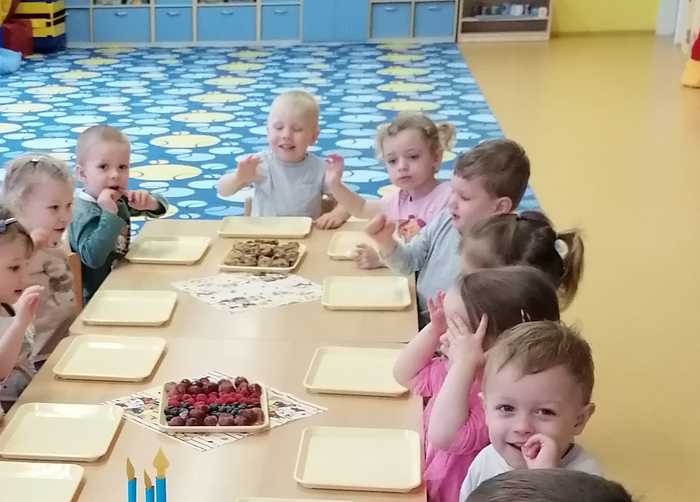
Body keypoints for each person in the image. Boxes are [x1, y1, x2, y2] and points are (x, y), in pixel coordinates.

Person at [394, 266, 561, 502]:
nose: (444, 338)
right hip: (425, 486)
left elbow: (445, 436)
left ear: (501, 342)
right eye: (448, 327)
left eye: (456, 331)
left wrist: (463, 364)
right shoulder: (454, 369)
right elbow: (404, 374)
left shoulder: (502, 401)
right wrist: (434, 328)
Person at [366, 139, 531, 326]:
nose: (451, 202)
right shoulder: (446, 218)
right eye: (453, 191)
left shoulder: (503, 253)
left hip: (448, 334)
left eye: (464, 197)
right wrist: (386, 242)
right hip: (416, 315)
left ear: (500, 207)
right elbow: (409, 262)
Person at [459, 321, 601, 501]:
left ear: (579, 420)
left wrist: (545, 481)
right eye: (506, 408)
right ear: (485, 409)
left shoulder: (589, 484)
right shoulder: (486, 460)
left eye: (545, 412)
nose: (522, 427)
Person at [325, 112, 454, 267]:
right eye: (392, 160)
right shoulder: (399, 199)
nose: (402, 167)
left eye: (413, 156)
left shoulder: (449, 199)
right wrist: (335, 185)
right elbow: (361, 208)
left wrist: (381, 261)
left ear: (436, 157)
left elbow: (442, 259)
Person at [216, 90, 349, 229]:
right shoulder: (259, 163)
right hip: (262, 235)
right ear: (268, 132)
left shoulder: (320, 168)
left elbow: (349, 201)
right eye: (279, 127)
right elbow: (223, 190)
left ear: (313, 136)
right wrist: (238, 178)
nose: (286, 135)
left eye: (297, 129)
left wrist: (337, 214)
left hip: (304, 236)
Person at [69, 125, 168, 303]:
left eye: (122, 167)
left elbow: (162, 208)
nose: (115, 175)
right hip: (96, 299)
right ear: (82, 174)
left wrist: (150, 203)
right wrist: (109, 213)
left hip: (123, 283)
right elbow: (93, 258)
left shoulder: (116, 198)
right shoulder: (82, 212)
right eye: (103, 167)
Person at [2, 154, 77, 360]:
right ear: (19, 206)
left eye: (69, 205)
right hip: (34, 359)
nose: (65, 216)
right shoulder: (12, 256)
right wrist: (30, 249)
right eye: (54, 208)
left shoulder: (56, 241)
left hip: (67, 344)